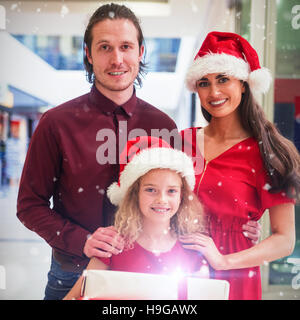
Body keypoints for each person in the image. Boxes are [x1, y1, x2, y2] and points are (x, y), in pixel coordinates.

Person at [16, 3, 178, 300]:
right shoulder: (55, 124)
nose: (117, 59)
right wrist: (83, 241)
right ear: (89, 55)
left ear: (141, 52)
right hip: (72, 273)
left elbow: (176, 200)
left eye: (126, 46)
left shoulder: (162, 125)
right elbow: (29, 205)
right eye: (105, 47)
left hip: (147, 273)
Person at [180, 31, 300, 300]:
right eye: (204, 83)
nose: (214, 92)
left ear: (244, 84)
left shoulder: (268, 153)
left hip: (233, 278)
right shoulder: (180, 142)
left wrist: (223, 261)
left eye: (223, 79)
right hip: (176, 268)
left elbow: (284, 239)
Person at [64, 136, 209, 300]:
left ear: (181, 196)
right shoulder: (113, 244)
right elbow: (74, 296)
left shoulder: (191, 249)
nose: (162, 199)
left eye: (171, 191)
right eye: (150, 190)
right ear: (135, 195)